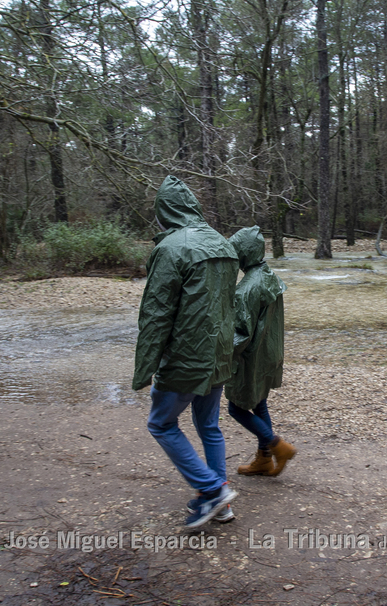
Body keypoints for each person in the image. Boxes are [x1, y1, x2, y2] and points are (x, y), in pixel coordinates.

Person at [132, 175, 240, 528]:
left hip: (186, 358)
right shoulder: (223, 243)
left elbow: (156, 313)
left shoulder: (169, 249)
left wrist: (144, 367)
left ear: (165, 211)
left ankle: (212, 490)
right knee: (209, 426)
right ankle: (220, 504)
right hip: (220, 354)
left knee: (161, 423)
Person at [225, 226, 296, 477]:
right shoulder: (270, 276)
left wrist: (221, 355)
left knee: (236, 408)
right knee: (260, 405)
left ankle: (278, 446)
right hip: (269, 354)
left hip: (251, 360)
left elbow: (240, 335)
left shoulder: (245, 289)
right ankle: (264, 459)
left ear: (243, 254)